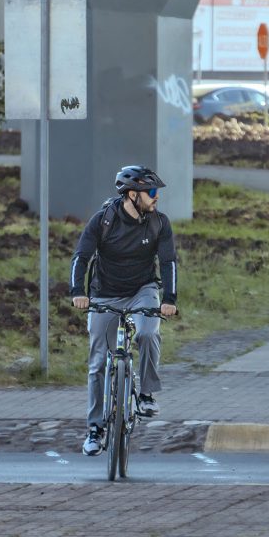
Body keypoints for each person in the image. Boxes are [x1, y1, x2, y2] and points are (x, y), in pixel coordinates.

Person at [70, 165, 178, 456]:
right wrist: (78, 293)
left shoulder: (159, 223)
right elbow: (81, 256)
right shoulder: (103, 220)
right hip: (104, 293)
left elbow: (168, 262)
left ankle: (145, 395)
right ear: (132, 195)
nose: (156, 198)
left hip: (143, 290)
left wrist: (169, 298)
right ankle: (95, 429)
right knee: (98, 363)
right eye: (151, 192)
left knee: (147, 333)